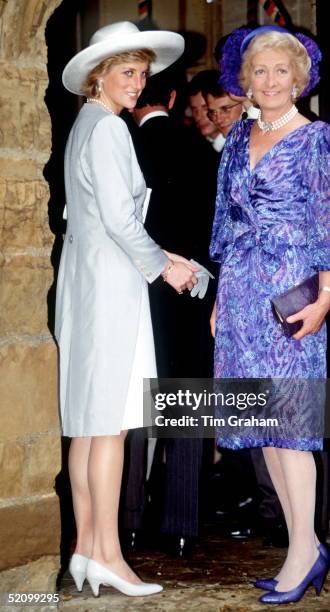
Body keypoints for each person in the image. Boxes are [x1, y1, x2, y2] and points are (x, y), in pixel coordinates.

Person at [209, 25, 330, 605]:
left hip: (292, 291)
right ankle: (303, 546)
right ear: (247, 81)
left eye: (281, 70)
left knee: (292, 425)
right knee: (265, 426)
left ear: (299, 78)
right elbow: (229, 222)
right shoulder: (237, 137)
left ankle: (304, 553)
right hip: (241, 293)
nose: (270, 81)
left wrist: (326, 295)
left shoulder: (320, 140)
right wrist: (219, 300)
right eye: (259, 71)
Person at [55, 21, 200, 598]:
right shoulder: (110, 130)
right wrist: (165, 265)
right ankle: (110, 555)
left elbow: (98, 219)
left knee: (88, 426)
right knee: (110, 425)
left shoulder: (85, 124)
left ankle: (85, 549)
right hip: (111, 287)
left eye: (142, 73)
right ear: (100, 75)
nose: (137, 83)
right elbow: (119, 220)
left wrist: (167, 255)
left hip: (88, 282)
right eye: (126, 72)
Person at [121, 75, 215, 556]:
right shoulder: (201, 150)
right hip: (191, 287)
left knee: (134, 400)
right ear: (175, 99)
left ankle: (130, 519)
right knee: (187, 395)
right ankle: (182, 525)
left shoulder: (123, 142)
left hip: (134, 287)